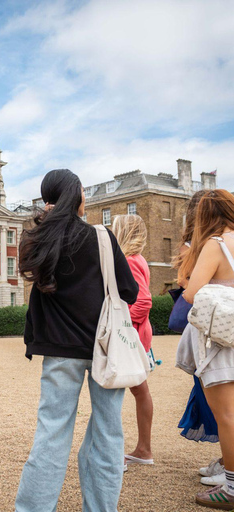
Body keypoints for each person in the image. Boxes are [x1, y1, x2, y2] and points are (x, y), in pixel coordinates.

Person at [15, 169, 138, 512]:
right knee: (108, 434)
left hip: (59, 350)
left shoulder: (37, 239)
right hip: (105, 348)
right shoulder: (101, 237)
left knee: (51, 434)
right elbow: (129, 291)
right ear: (77, 194)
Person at [176, 189, 234, 509]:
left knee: (226, 415)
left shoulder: (216, 243)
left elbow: (191, 293)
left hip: (222, 340)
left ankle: (232, 488)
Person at [112, 214, 154, 468]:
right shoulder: (138, 259)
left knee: (114, 390)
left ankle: (122, 454)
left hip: (131, 335)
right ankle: (143, 449)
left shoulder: (129, 260)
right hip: (138, 333)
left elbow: (144, 302)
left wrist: (122, 323)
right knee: (140, 390)